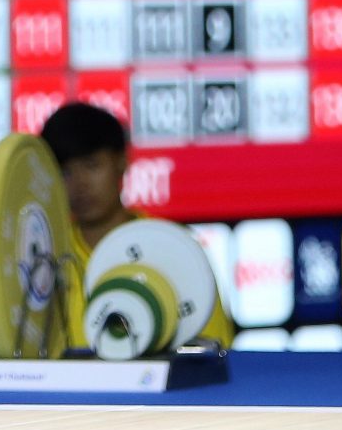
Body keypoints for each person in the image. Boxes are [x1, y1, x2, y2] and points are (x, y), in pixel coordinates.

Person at [38, 102, 234, 350]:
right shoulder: (45, 256)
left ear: (122, 161)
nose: (80, 185)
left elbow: (211, 353)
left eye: (92, 165)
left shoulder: (175, 247)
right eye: (65, 172)